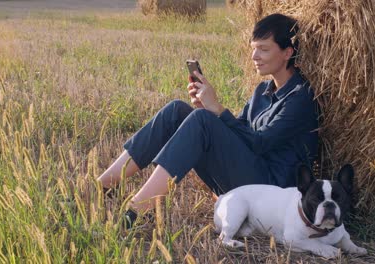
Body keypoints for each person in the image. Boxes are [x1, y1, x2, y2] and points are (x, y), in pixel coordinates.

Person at [97, 13, 318, 228]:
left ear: (287, 52)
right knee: (177, 110)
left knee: (202, 119)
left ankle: (138, 210)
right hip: (248, 173)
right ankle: (105, 185)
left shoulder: (300, 97)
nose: (254, 56)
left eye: (264, 49)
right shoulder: (262, 90)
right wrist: (209, 109)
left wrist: (217, 111)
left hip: (270, 193)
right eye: (253, 48)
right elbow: (240, 130)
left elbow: (260, 143)